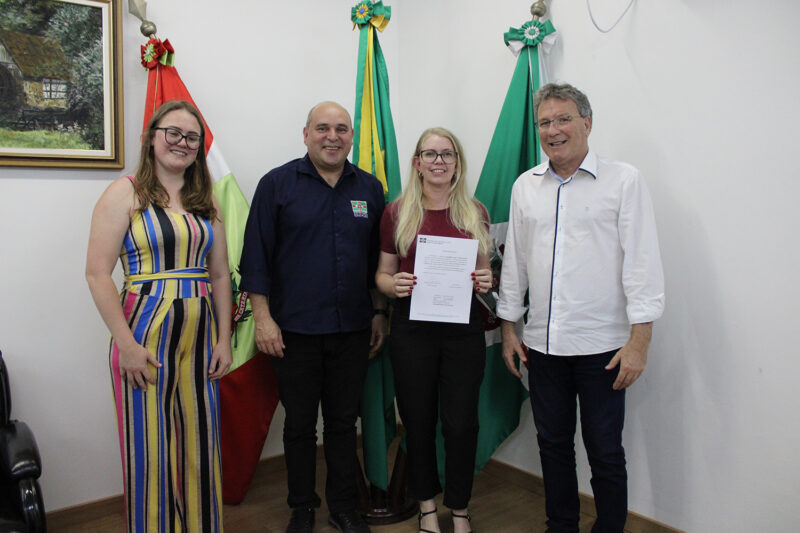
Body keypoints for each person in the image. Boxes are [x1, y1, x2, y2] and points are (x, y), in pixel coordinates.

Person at [497, 83, 665, 533]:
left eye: (563, 119)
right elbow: (514, 262)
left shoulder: (623, 180)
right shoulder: (524, 187)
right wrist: (509, 329)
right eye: (545, 123)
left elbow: (642, 264)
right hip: (543, 347)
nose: (553, 130)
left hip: (604, 348)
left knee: (605, 450)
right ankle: (561, 525)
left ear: (586, 122)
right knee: (552, 446)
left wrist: (640, 342)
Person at [239, 101, 387, 533]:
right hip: (294, 333)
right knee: (300, 427)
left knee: (344, 424)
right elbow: (255, 259)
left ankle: (343, 506)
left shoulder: (370, 188)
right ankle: (302, 507)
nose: (332, 136)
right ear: (306, 134)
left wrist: (379, 313)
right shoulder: (277, 184)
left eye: (342, 129)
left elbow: (379, 259)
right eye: (323, 128)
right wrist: (263, 320)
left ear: (351, 137)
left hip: (354, 330)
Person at [86, 100, 232, 532]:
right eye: (173, 133)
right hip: (143, 337)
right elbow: (97, 275)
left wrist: (224, 339)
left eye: (191, 137)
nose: (182, 143)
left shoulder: (205, 202)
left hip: (202, 337)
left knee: (201, 447)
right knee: (149, 453)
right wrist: (126, 346)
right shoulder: (125, 193)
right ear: (152, 137)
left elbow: (220, 274)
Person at [375, 127, 492, 533]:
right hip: (412, 329)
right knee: (419, 420)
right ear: (417, 162)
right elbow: (383, 275)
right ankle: (426, 506)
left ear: (458, 163)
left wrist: (485, 279)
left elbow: (484, 269)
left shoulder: (474, 212)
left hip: (463, 330)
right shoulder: (396, 212)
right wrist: (395, 285)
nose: (439, 161)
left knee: (461, 423)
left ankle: (459, 508)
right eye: (431, 154)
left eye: (447, 154)